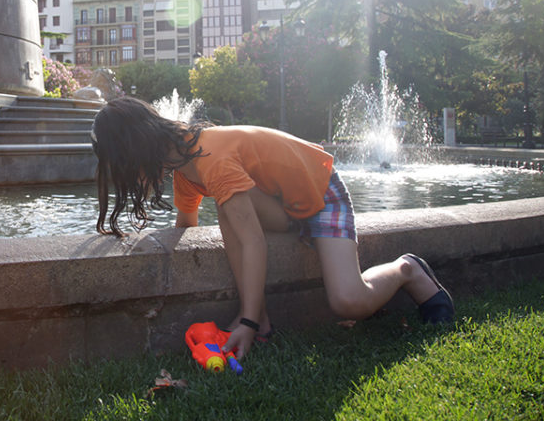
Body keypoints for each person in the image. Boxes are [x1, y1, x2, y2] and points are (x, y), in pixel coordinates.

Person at [90, 97, 454, 362]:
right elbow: (186, 229)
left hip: (322, 193)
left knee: (349, 302)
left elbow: (251, 241)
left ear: (133, 149)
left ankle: (408, 270)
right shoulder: (186, 169)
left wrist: (245, 319)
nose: (122, 175)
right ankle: (260, 320)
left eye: (118, 164)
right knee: (228, 208)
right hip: (285, 208)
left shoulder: (210, 157)